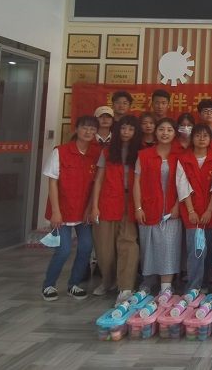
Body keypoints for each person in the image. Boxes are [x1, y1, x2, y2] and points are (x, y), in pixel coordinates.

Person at [40, 115, 101, 301]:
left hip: (83, 212)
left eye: (92, 129)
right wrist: (56, 212)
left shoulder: (96, 154)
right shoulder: (61, 151)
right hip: (62, 211)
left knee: (86, 248)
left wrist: (89, 209)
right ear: (76, 129)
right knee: (64, 250)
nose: (88, 132)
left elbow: (95, 184)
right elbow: (52, 183)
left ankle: (73, 284)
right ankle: (48, 285)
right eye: (85, 128)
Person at [90, 114, 142, 304]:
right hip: (108, 200)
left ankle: (125, 286)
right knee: (104, 247)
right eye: (123, 128)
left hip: (132, 200)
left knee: (128, 244)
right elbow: (98, 180)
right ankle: (107, 281)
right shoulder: (107, 151)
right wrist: (94, 206)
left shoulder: (141, 152)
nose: (126, 132)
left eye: (131, 129)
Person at [133, 118, 182, 296]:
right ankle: (148, 281)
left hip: (171, 210)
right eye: (161, 129)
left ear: (175, 133)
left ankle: (166, 286)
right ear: (155, 132)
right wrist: (138, 208)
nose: (165, 133)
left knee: (169, 246)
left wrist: (178, 206)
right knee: (149, 246)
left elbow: (185, 184)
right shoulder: (144, 155)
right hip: (148, 208)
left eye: (169, 130)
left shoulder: (180, 155)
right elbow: (136, 182)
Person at [176, 123, 212, 293]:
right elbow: (182, 186)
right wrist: (191, 211)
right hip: (192, 213)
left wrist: (209, 210)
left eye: (205, 135)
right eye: (197, 135)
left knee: (209, 251)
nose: (201, 139)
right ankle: (193, 287)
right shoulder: (183, 159)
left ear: (210, 139)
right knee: (196, 251)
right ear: (192, 138)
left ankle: (205, 285)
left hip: (211, 213)